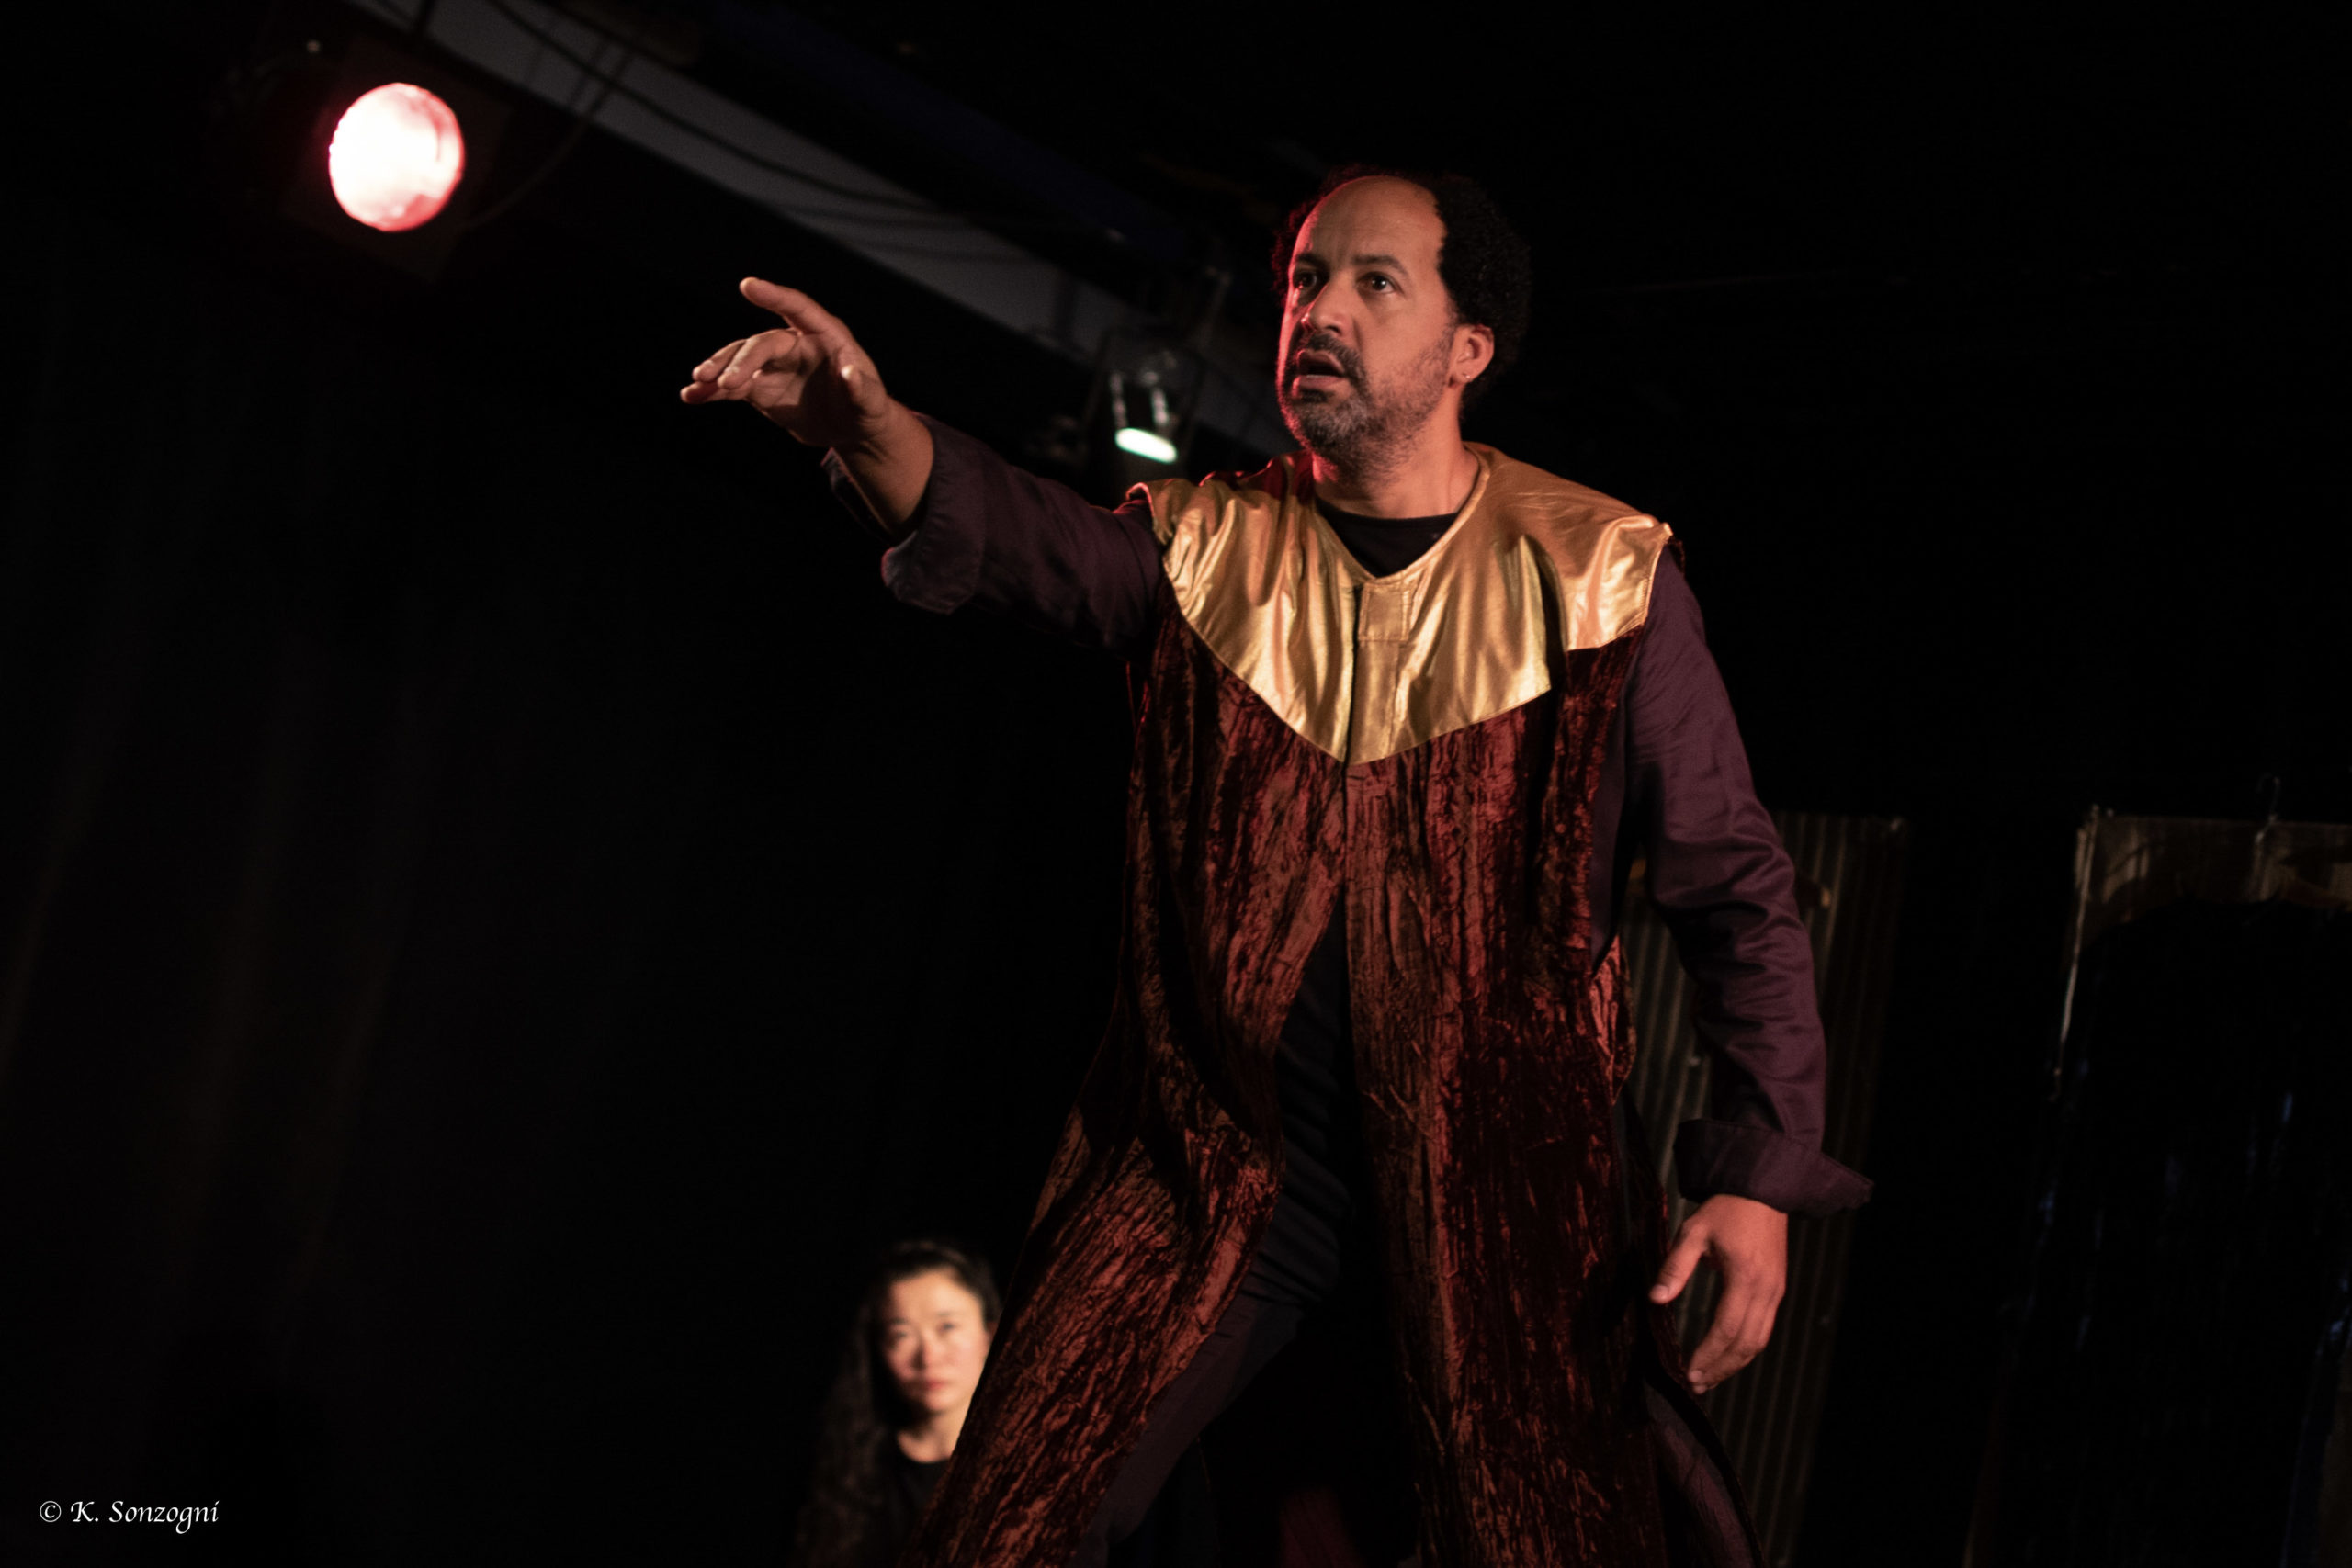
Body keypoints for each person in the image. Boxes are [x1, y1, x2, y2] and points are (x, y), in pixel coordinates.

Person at [689, 167, 1871, 1568]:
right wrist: (867, 428)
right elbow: (1023, 541)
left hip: (1504, 1197)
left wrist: (1756, 1176)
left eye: (1375, 282)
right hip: (1213, 1167)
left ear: (1467, 347)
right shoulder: (1208, 548)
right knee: (1007, 1522)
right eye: (1308, 278)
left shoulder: (1601, 576)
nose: (1320, 310)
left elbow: (1735, 891)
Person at [788, 1240, 1000, 1568]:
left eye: (947, 1327)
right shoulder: (852, 1475)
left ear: (989, 1333)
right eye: (901, 1335)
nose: (928, 1357)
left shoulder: (1034, 1455)